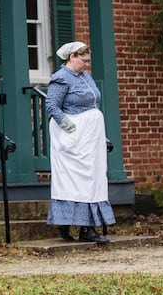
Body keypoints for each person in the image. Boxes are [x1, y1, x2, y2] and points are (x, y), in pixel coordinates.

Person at [46, 41, 115, 243]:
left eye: (88, 61)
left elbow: (93, 108)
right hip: (73, 139)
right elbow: (52, 106)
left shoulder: (86, 77)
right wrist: (72, 129)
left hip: (90, 139)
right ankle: (77, 226)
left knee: (92, 180)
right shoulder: (61, 78)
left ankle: (84, 227)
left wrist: (100, 137)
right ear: (72, 56)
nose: (86, 64)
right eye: (83, 61)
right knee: (75, 181)